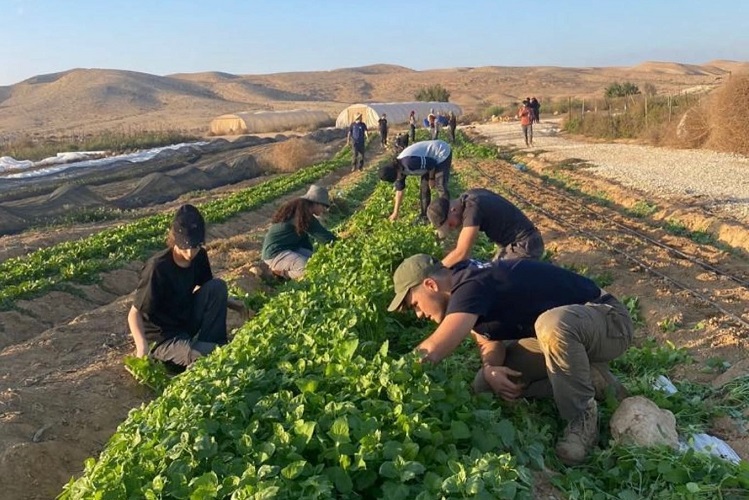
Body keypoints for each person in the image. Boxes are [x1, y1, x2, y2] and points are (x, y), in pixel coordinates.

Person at [387, 254, 633, 465]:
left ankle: (581, 417)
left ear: (430, 285)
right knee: (484, 384)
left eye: (415, 304)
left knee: (552, 325)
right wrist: (491, 368)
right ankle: (588, 375)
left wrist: (389, 379)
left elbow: (433, 350)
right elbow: (487, 339)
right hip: (559, 335)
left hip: (608, 320)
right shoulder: (463, 288)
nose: (419, 314)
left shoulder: (470, 283)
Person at [128, 204, 245, 369]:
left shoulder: (199, 256)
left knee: (217, 286)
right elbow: (134, 313)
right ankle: (189, 353)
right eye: (185, 248)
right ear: (175, 240)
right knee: (203, 359)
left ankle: (211, 342)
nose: (191, 254)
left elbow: (208, 290)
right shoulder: (157, 268)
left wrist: (236, 304)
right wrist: (142, 348)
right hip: (162, 337)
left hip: (184, 322)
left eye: (196, 246)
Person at [426, 188, 544, 267]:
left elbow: (462, 253)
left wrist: (437, 271)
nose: (453, 228)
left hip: (525, 245)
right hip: (512, 245)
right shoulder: (469, 196)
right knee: (488, 272)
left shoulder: (472, 208)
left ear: (453, 210)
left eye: (450, 225)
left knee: (496, 282)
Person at [261, 185, 336, 280]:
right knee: (308, 268)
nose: (324, 210)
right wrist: (340, 244)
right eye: (324, 206)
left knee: (317, 262)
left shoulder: (301, 213)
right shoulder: (303, 216)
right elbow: (324, 237)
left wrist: (310, 253)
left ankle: (286, 270)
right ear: (315, 203)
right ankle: (279, 274)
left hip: (290, 248)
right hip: (275, 253)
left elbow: (305, 241)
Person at [378, 139, 452, 222]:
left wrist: (431, 179)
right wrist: (395, 212)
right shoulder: (398, 170)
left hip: (440, 152)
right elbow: (399, 192)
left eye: (396, 177)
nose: (398, 179)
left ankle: (446, 215)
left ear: (396, 171)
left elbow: (432, 163)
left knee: (440, 185)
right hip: (427, 162)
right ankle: (424, 216)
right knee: (424, 188)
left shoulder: (408, 162)